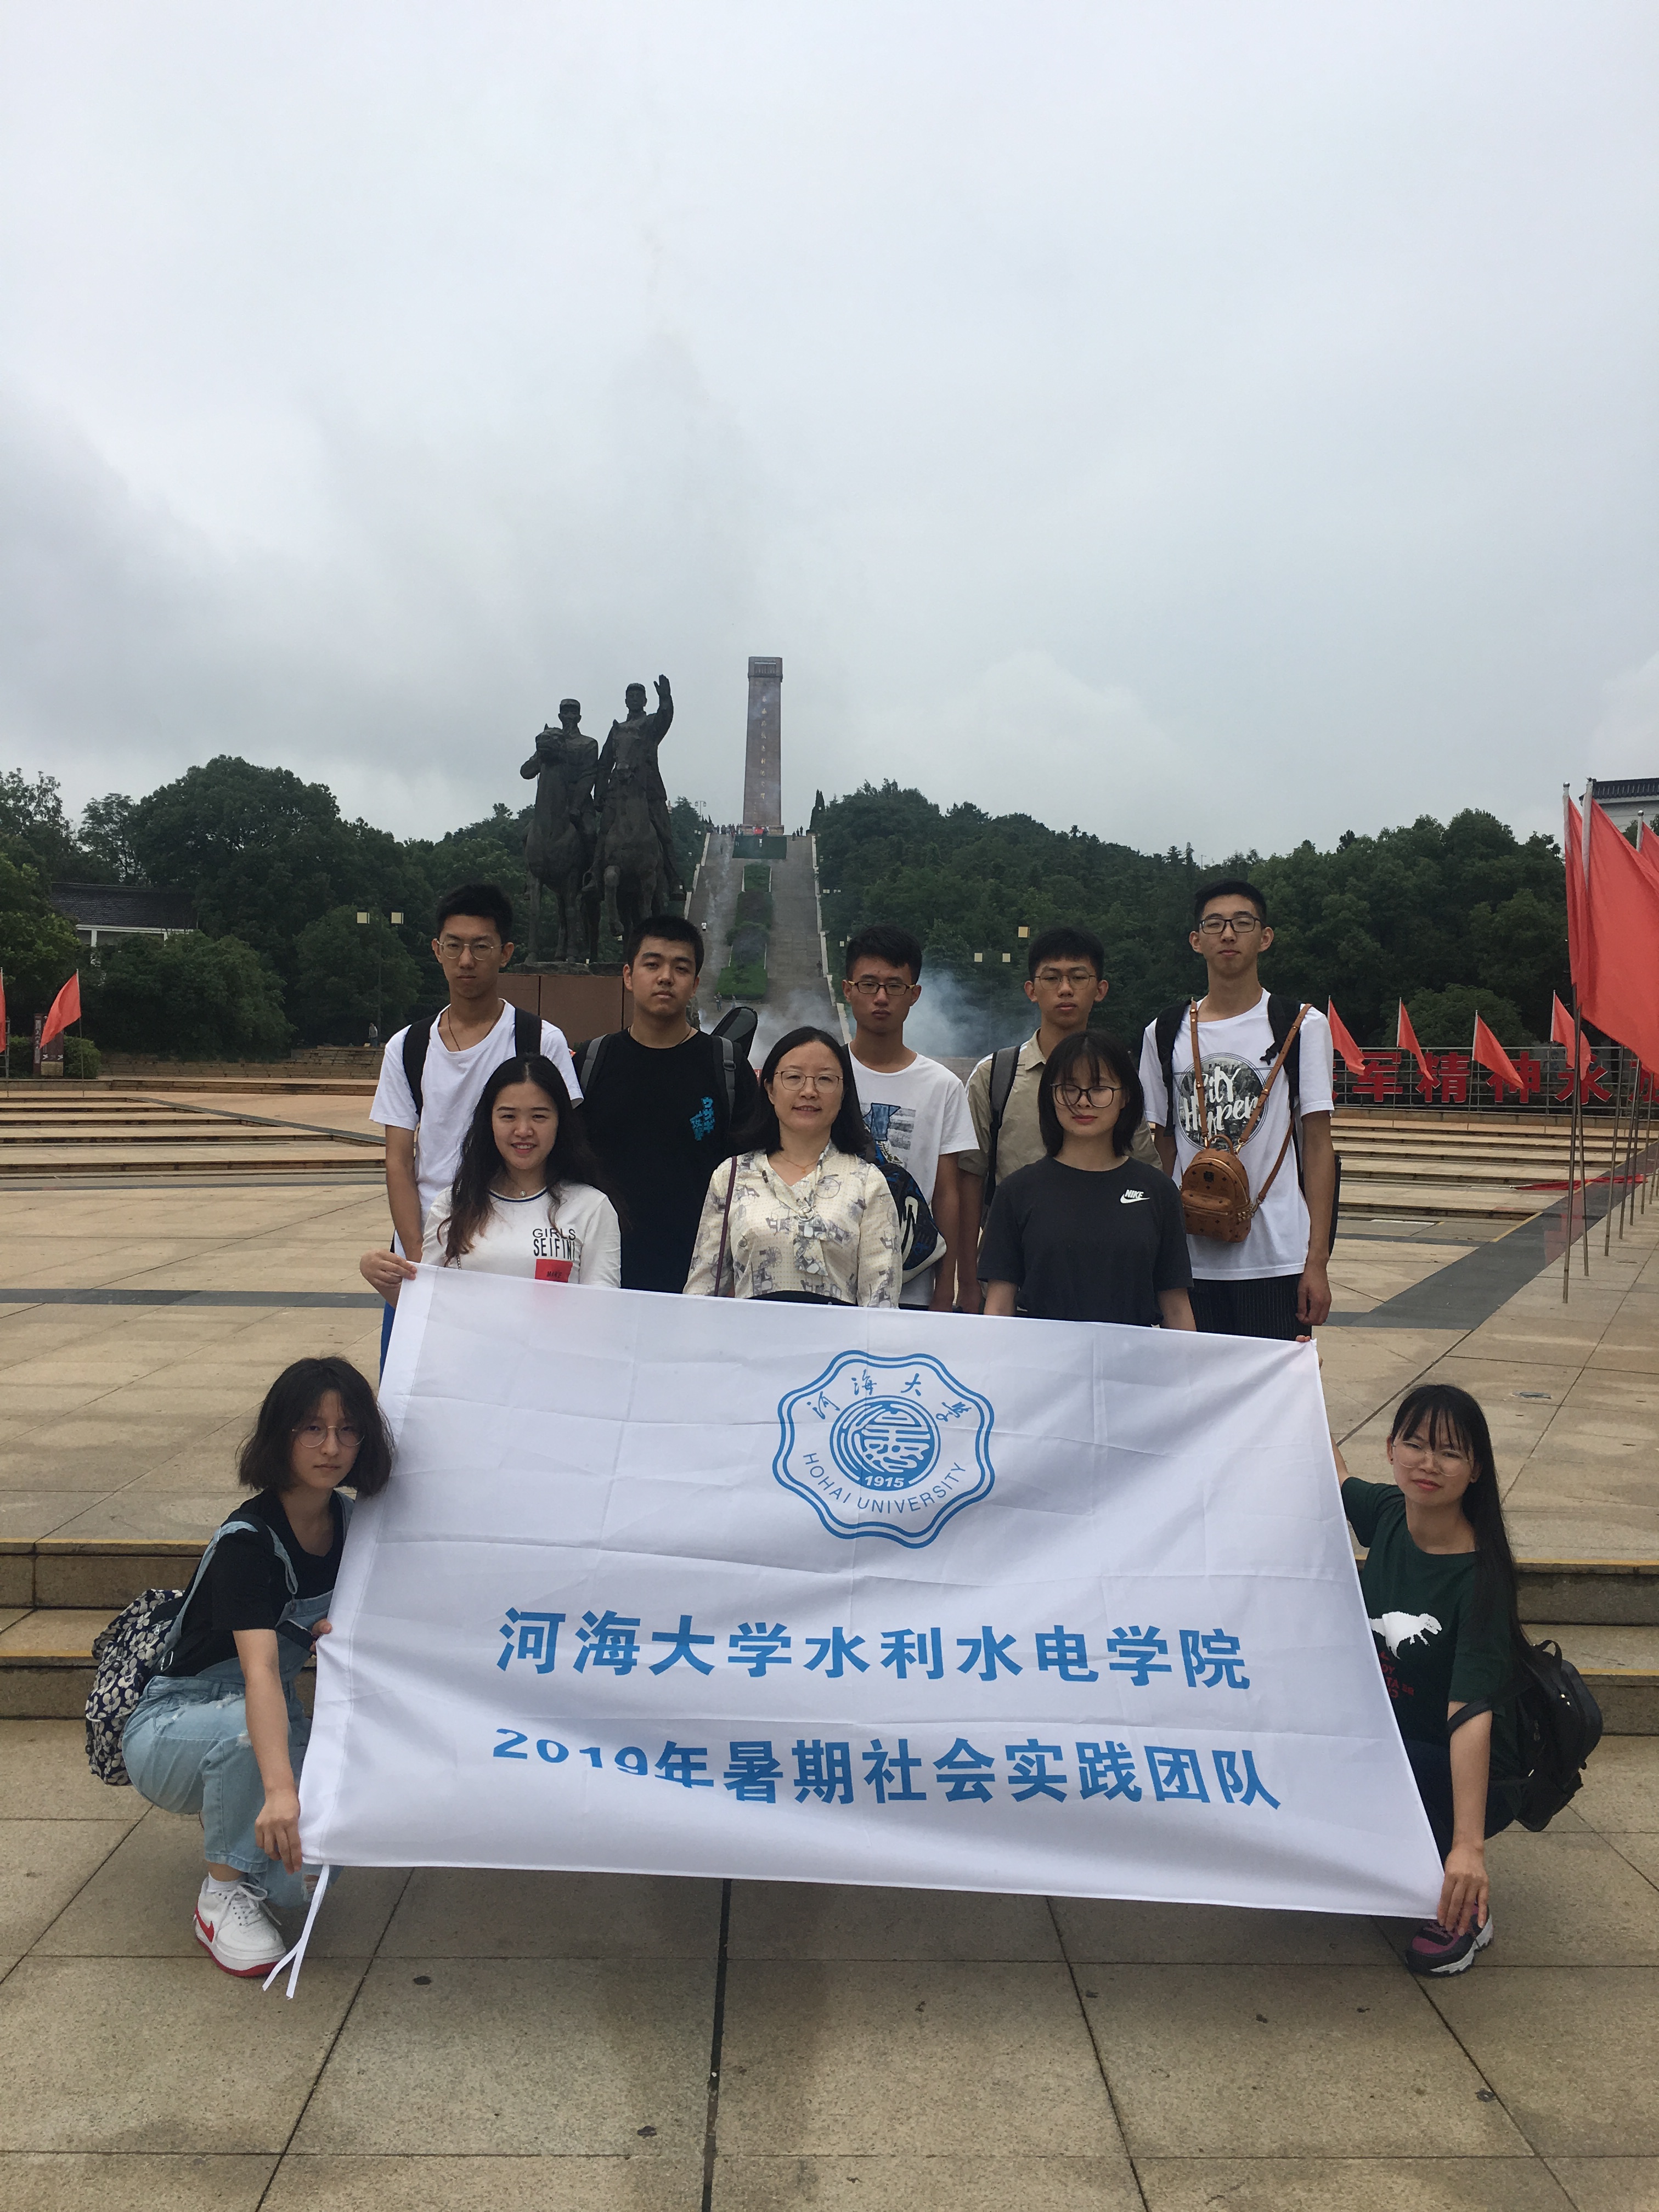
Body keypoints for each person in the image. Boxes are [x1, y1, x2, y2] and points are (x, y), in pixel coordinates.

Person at [121, 1358, 392, 1976]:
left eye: (347, 1429)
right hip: (172, 1724)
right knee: (254, 1749)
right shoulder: (247, 1543)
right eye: (312, 1429)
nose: (331, 1448)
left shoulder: (351, 1524)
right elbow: (261, 1674)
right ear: (280, 1436)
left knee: (307, 1869)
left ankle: (245, 1838)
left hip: (266, 1710)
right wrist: (279, 1790)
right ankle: (219, 1897)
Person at [1332, 1384, 1524, 1976]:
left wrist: (1469, 1846)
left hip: (1476, 1769)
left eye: (1450, 1452)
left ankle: (1464, 1903)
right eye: (1415, 1444)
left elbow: (1469, 1715)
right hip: (1402, 1740)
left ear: (1476, 1469)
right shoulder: (1389, 1513)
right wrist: (1298, 1376)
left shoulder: (1480, 1578)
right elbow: (1331, 1471)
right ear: (1391, 1449)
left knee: (1372, 1763)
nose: (1428, 1464)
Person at [370, 883, 581, 1363]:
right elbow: (399, 1161)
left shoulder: (540, 1040)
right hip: (428, 1240)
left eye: (481, 947)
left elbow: (564, 1146)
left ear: (505, 953)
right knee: (415, 1383)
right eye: (454, 946)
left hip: (513, 1247)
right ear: (436, 950)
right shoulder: (408, 1047)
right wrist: (419, 1259)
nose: (466, 960)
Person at [1138, 878, 1336, 1340]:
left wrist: (1317, 1261)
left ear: (1264, 937)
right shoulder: (1163, 1032)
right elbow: (1162, 1146)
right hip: (1187, 1258)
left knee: (1271, 1385)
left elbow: (1318, 1146)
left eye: (1242, 923)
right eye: (1215, 924)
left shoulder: (1302, 1025)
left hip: (1276, 1256)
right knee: (1191, 1382)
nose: (1228, 934)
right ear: (1196, 940)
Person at [957, 926, 1158, 1312]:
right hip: (1015, 1284)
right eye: (1052, 978)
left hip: (1105, 1282)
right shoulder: (995, 1076)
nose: (1065, 989)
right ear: (1032, 990)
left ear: (1100, 989)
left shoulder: (1118, 1082)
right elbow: (970, 1180)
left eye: (1078, 977)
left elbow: (1145, 1174)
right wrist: (967, 1279)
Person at [575, 913, 759, 1293]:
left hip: (700, 1273)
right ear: (628, 976)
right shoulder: (592, 1062)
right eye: (652, 964)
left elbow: (752, 1173)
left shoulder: (726, 1066)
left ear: (695, 984)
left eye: (681, 968)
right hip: (605, 1269)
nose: (665, 977)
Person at [979, 1031, 1195, 1328]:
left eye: (1099, 1088)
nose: (1083, 1102)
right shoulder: (1016, 1192)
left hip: (1133, 1355)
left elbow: (1176, 1306)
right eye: (1069, 1089)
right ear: (1050, 1095)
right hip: (1044, 1354)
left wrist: (1188, 1359)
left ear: (1125, 1097)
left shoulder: (1158, 1191)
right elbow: (999, 1305)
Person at [362, 1056, 620, 1301]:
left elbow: (602, 1313)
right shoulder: (453, 1204)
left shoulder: (592, 1208)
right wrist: (382, 1280)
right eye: (508, 1116)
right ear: (490, 1122)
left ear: (561, 1122)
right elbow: (428, 1309)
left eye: (539, 1116)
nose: (523, 1130)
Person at [684, 1026, 900, 1305]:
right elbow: (702, 1291)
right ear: (770, 1090)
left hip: (838, 1334)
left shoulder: (867, 1182)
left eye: (825, 1079)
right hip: (751, 1332)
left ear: (844, 1092)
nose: (809, 1091)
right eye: (794, 1077)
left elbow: (881, 1301)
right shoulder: (731, 1176)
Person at [841, 923, 974, 1311]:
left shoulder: (942, 1087)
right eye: (869, 984)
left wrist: (944, 1289)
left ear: (914, 994)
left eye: (895, 986)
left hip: (910, 1286)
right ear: (848, 989)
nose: (881, 997)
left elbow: (947, 1193)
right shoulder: (824, 1073)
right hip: (829, 1283)